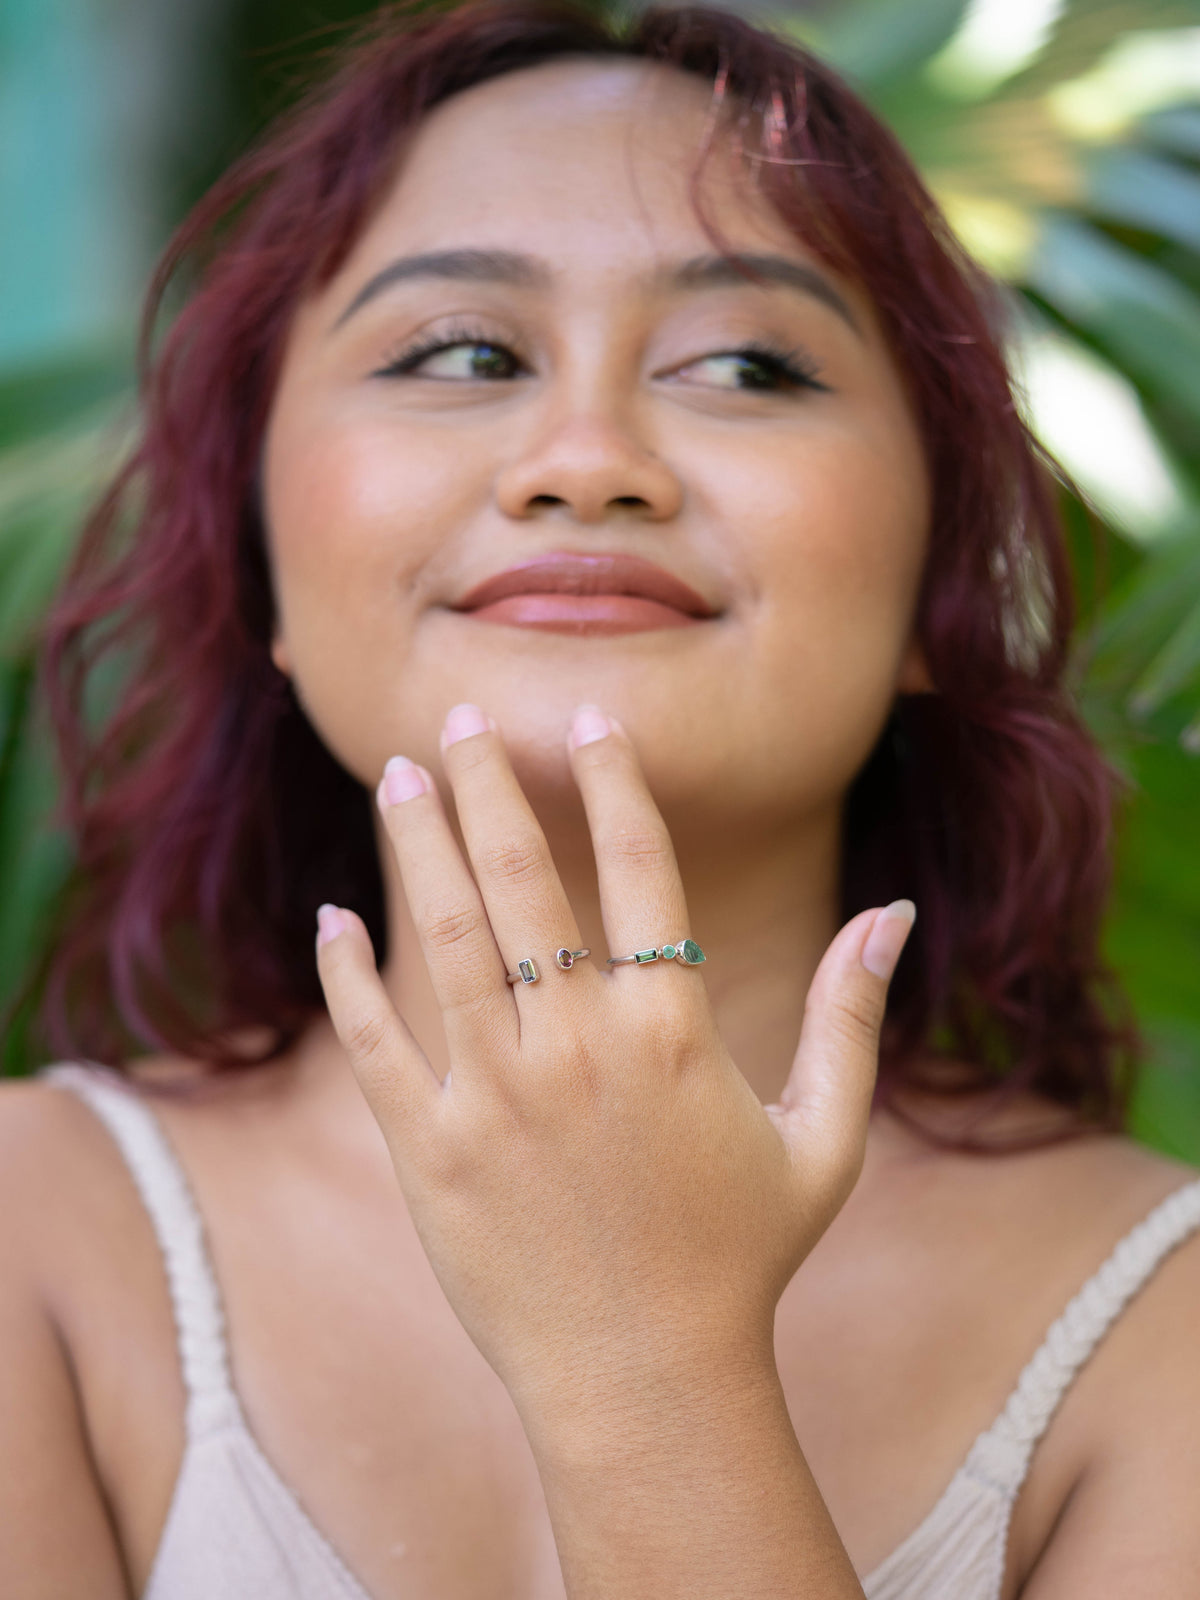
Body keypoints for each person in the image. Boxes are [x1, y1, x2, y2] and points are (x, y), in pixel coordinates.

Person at [3, 2, 1198, 1595]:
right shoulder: (34, 1236)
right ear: (262, 564)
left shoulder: (1163, 1322)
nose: (584, 458)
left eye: (749, 365)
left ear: (938, 588)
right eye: (465, 353)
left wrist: (644, 1356)